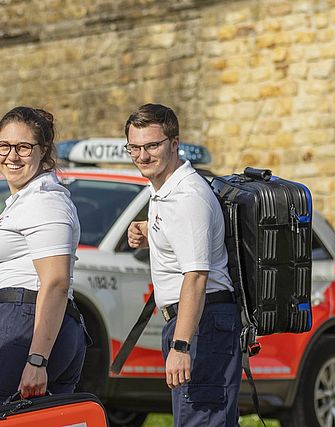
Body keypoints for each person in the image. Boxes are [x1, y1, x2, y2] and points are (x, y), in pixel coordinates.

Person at [0, 106, 87, 420]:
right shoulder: (28, 199)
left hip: (22, 323)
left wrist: (37, 360)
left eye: (23, 147)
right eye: (4, 146)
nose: (12, 156)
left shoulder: (45, 200)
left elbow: (56, 281)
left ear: (43, 151)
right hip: (29, 322)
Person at [124, 104, 239, 426]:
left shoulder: (186, 197)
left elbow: (197, 276)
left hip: (201, 323)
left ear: (175, 143)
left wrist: (181, 345)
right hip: (197, 322)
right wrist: (149, 230)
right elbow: (182, 236)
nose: (142, 156)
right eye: (135, 147)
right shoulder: (163, 189)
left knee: (199, 420)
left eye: (152, 146)